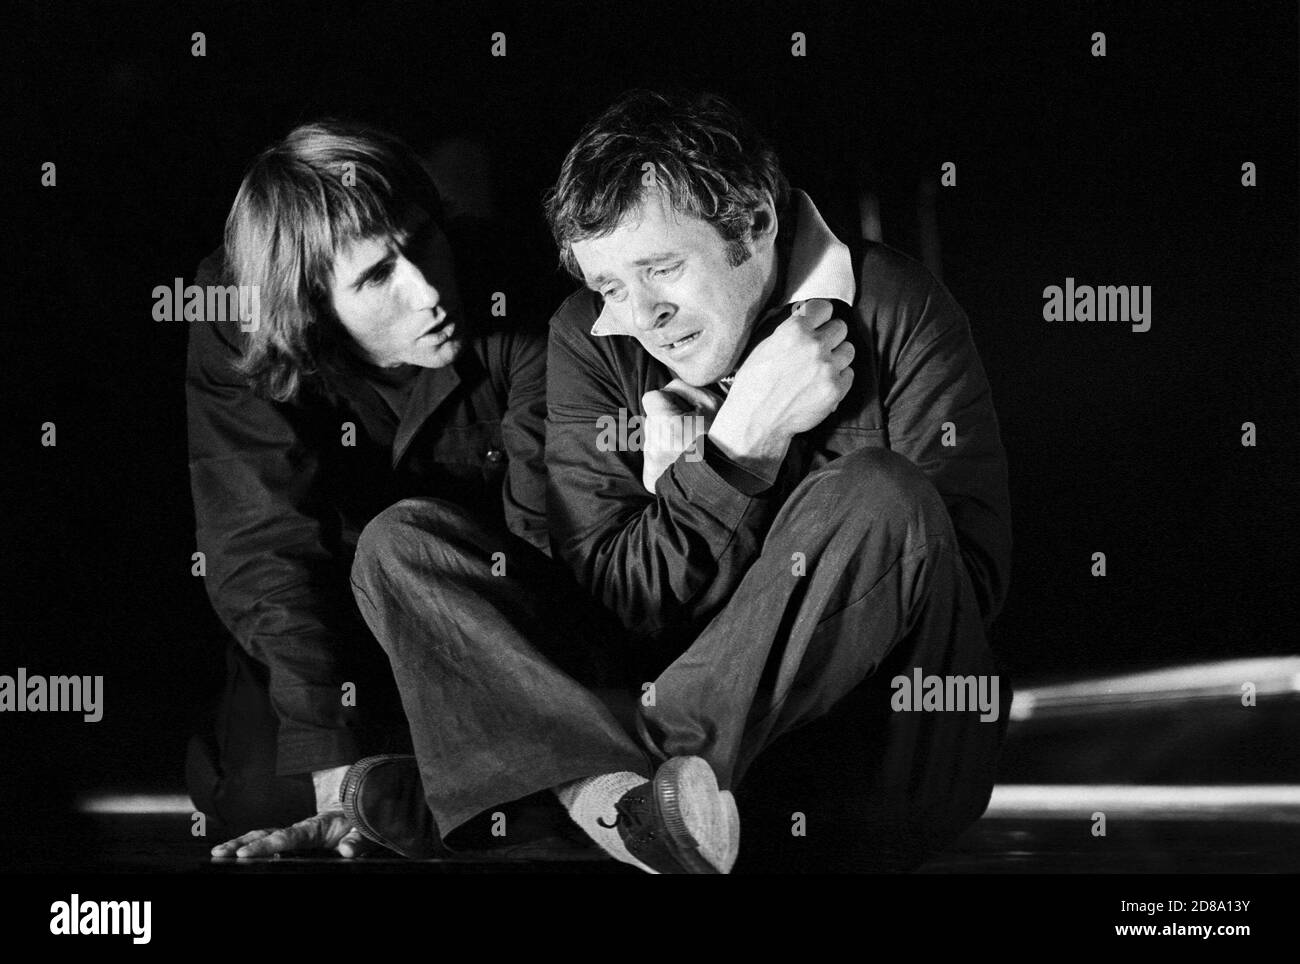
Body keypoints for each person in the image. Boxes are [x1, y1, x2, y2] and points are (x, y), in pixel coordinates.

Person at [346, 89, 1013, 873]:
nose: (642, 314)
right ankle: (621, 807)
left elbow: (962, 584)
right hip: (672, 751)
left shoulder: (901, 305)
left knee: (885, 495)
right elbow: (618, 603)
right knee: (400, 543)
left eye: (663, 269)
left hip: (860, 768)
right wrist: (739, 449)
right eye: (611, 286)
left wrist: (790, 527)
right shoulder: (591, 337)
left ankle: (579, 795)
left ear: (756, 224)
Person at [183, 120, 551, 858]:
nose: (427, 291)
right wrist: (335, 773)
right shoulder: (235, 311)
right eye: (377, 276)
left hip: (480, 611)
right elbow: (263, 543)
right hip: (334, 620)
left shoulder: (516, 284)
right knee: (260, 797)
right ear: (310, 307)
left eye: (422, 242)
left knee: (487, 798)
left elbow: (550, 543)